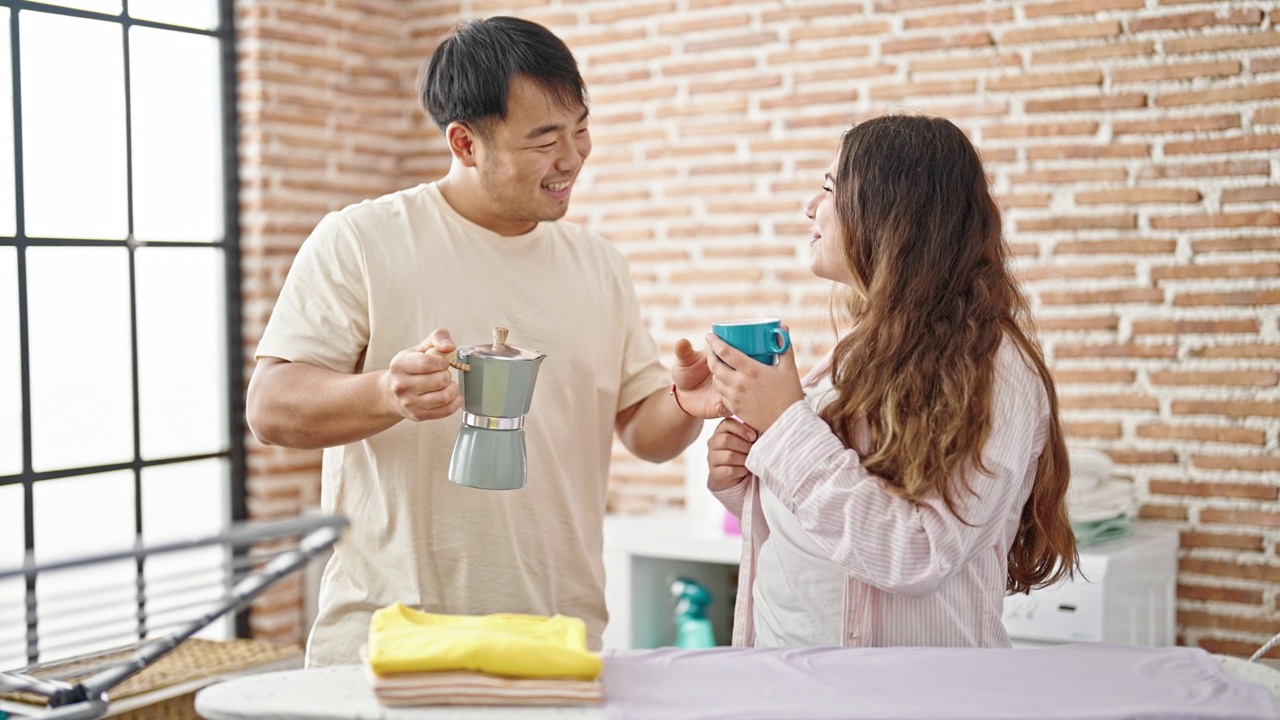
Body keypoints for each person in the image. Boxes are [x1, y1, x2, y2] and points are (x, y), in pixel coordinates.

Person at [244, 16, 718, 666]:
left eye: (580, 128)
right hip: (390, 645)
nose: (572, 157)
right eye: (544, 139)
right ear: (465, 143)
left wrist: (688, 402)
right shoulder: (362, 239)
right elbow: (271, 407)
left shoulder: (598, 263)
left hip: (556, 643)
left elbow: (644, 432)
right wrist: (389, 392)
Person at [691, 114, 1078, 649]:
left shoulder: (995, 370)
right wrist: (745, 476)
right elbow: (833, 536)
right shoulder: (859, 353)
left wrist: (783, 425)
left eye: (829, 187)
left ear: (891, 211)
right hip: (791, 687)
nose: (810, 206)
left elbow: (915, 552)